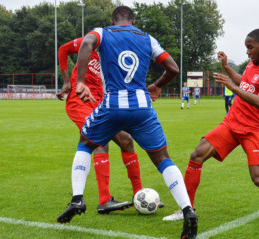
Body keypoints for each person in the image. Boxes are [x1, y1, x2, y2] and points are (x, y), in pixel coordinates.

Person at [59, 6, 197, 238]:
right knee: (163, 159)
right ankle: (188, 210)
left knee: (86, 142)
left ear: (113, 20)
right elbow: (173, 68)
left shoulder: (103, 32)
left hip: (112, 106)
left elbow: (85, 44)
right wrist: (157, 85)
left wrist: (79, 81)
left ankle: (77, 199)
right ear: (133, 20)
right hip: (143, 107)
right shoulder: (147, 38)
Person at [163, 29, 259, 225]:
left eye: (250, 47)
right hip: (232, 122)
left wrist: (233, 88)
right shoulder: (252, 65)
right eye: (246, 48)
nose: (247, 52)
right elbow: (245, 83)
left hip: (252, 129)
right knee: (197, 155)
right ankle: (187, 209)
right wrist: (226, 68)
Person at [56, 36, 146, 221]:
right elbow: (63, 50)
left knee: (126, 140)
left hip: (100, 102)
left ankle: (139, 196)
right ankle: (103, 200)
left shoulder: (119, 54)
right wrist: (66, 80)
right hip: (79, 100)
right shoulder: (90, 41)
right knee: (99, 140)